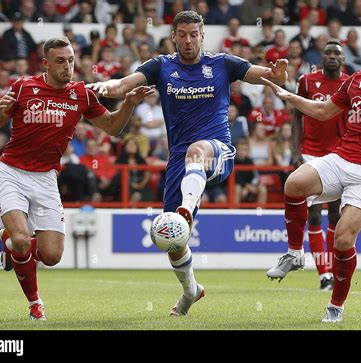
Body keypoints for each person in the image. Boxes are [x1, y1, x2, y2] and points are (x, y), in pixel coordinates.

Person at [87, 10, 287, 316]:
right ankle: (191, 290)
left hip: (217, 150)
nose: (189, 40)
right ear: (174, 37)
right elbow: (122, 85)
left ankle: (185, 211)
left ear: (202, 35)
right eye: (183, 35)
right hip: (179, 163)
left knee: (196, 151)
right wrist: (106, 87)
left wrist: (277, 74)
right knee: (173, 240)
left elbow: (267, 76)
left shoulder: (222, 63)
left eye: (194, 34)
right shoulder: (161, 66)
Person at [262, 24, 361, 322]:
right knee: (294, 183)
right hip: (341, 157)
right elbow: (324, 111)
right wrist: (288, 96)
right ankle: (295, 253)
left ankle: (336, 305)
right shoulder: (355, 82)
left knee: (342, 239)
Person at [0, 36, 154, 320]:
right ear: (46, 64)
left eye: (71, 60)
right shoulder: (24, 87)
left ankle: (10, 244)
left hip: (47, 179)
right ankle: (34, 303)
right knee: (23, 240)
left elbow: (112, 127)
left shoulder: (82, 95)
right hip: (12, 173)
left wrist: (129, 104)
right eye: (60, 61)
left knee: (51, 256)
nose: (67, 66)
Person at [292, 39, 349, 291]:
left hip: (339, 155)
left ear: (343, 58)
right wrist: (295, 151)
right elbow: (296, 116)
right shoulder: (306, 81)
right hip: (310, 155)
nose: (332, 56)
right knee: (314, 213)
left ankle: (335, 269)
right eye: (328, 52)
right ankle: (324, 274)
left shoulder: (350, 83)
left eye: (337, 53)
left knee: (336, 214)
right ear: (322, 57)